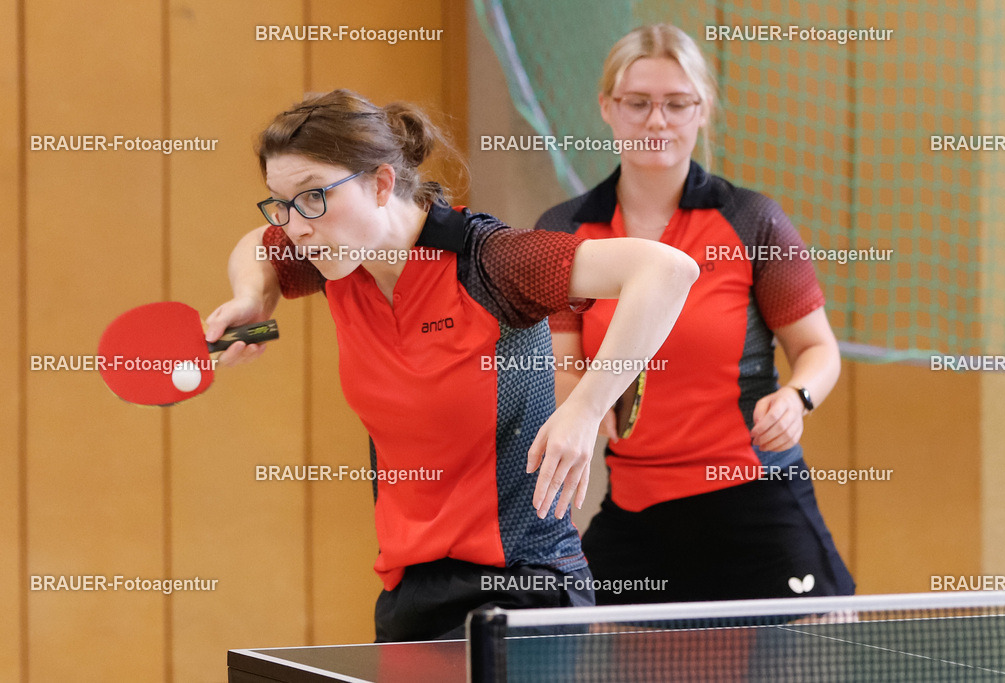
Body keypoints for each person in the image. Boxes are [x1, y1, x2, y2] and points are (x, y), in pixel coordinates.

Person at [205, 89, 699, 641]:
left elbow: (666, 271)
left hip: (523, 593)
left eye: (312, 196)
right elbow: (258, 243)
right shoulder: (334, 262)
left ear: (382, 182)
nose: (294, 226)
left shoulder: (490, 262)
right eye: (281, 203)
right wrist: (253, 296)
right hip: (408, 596)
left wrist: (584, 409)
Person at [536, 24, 855, 604]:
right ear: (607, 108)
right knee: (567, 645)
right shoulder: (565, 231)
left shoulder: (753, 221)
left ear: (702, 109)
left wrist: (797, 397)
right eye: (638, 103)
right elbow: (563, 363)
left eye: (677, 104)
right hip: (636, 508)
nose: (657, 121)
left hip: (757, 499)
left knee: (823, 649)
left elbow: (817, 350)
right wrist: (581, 399)